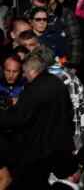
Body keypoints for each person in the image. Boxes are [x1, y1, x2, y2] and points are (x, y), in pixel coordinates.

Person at [0, 52, 74, 188]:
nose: (23, 75)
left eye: (24, 72)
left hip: (38, 149)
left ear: (32, 70)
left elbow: (18, 118)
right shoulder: (55, 82)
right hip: (56, 143)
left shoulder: (34, 89)